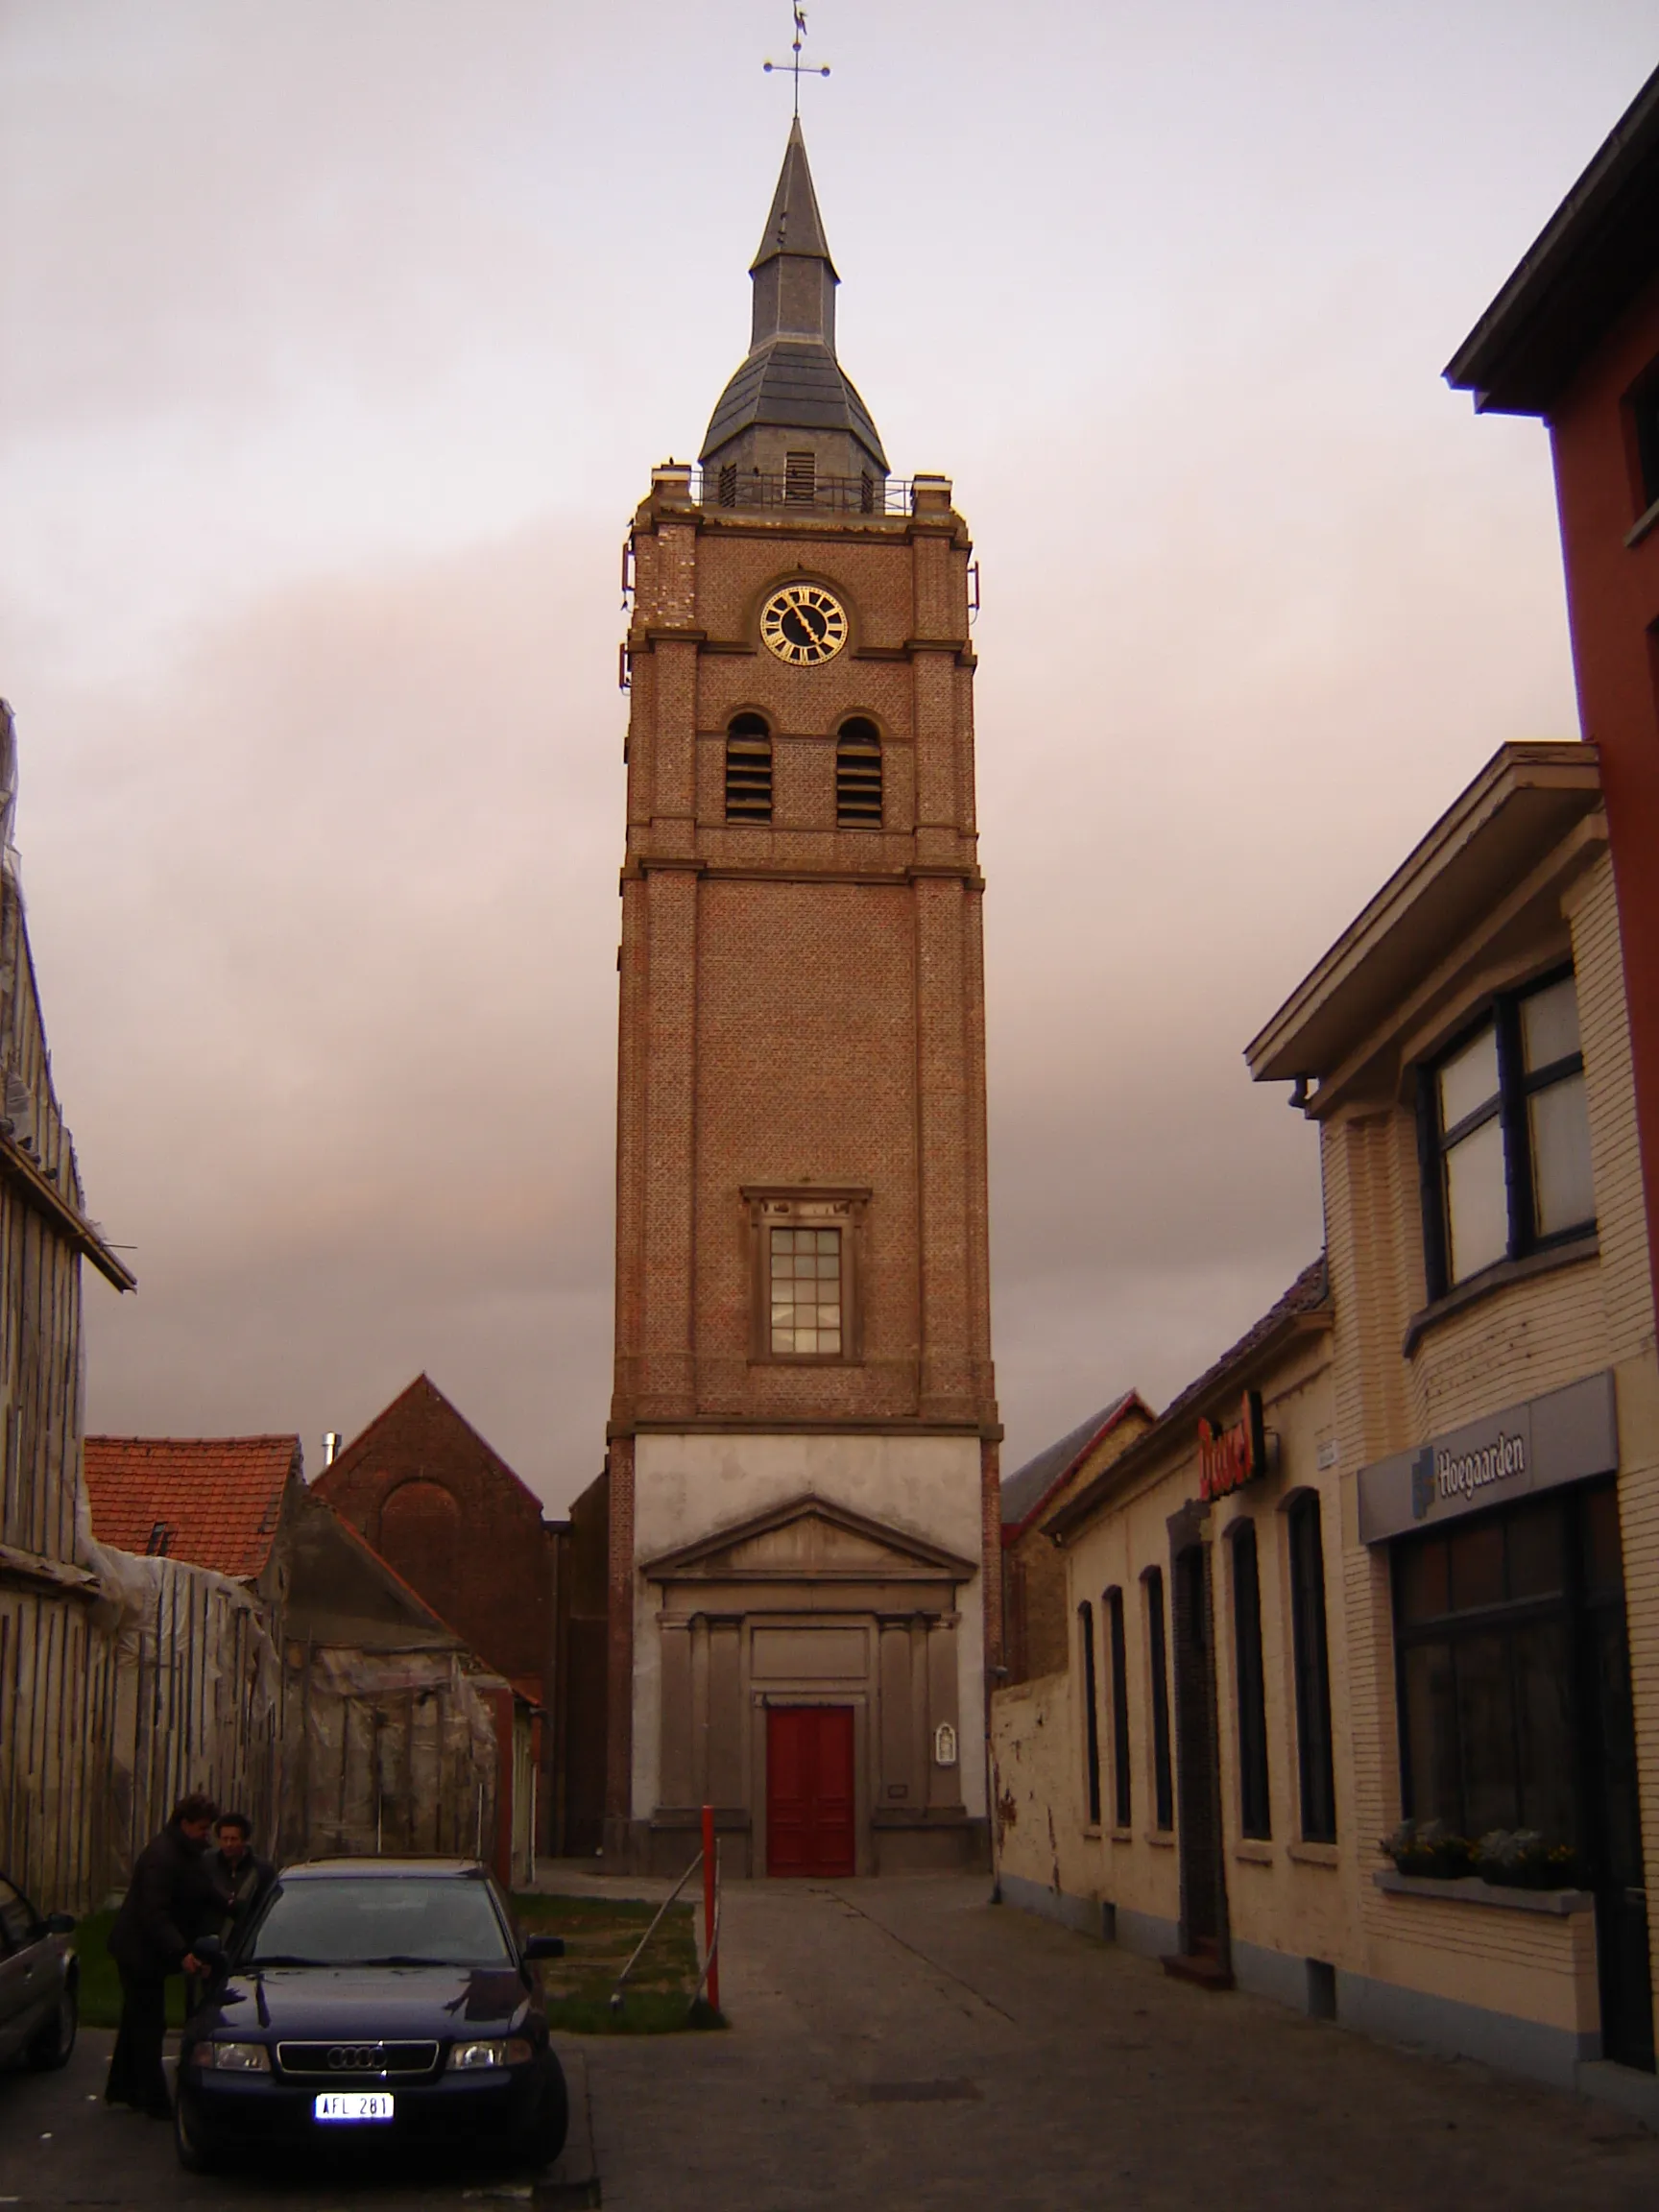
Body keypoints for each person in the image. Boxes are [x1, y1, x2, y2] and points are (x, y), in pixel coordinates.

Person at [105, 1791, 221, 2118]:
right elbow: (154, 1912)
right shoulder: (163, 1856)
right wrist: (181, 1951)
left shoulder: (184, 1853)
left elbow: (201, 1890)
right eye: (202, 1828)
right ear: (184, 1824)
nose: (206, 1834)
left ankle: (125, 2087)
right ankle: (153, 2098)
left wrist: (230, 1905)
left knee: (136, 2020)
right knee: (148, 2023)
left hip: (148, 1950)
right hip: (138, 1952)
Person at [204, 1811, 274, 1943]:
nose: (228, 1844)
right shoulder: (207, 1864)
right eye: (224, 1839)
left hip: (246, 1944)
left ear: (244, 1840)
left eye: (233, 1839)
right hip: (211, 1942)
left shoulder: (261, 1871)